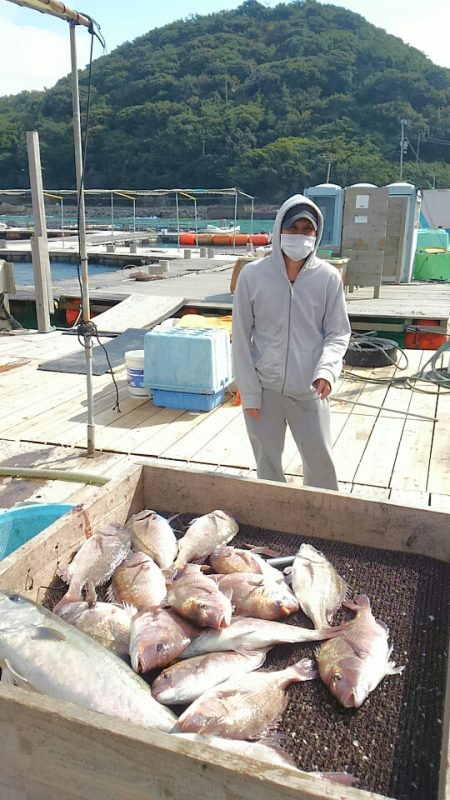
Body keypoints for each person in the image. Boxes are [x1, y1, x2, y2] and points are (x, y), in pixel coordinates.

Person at [231, 193, 351, 491]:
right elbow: (241, 337)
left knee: (321, 464)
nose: (300, 235)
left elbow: (338, 332)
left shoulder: (328, 278)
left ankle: (322, 526)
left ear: (317, 233)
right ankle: (274, 525)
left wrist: (327, 370)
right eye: (293, 228)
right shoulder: (252, 276)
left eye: (307, 229)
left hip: (310, 389)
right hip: (265, 389)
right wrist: (249, 391)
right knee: (267, 463)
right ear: (278, 230)